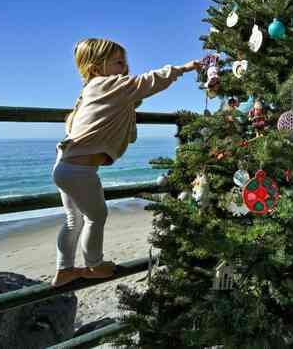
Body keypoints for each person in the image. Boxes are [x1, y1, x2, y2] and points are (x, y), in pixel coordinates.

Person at [51, 38, 200, 287]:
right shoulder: (108, 85)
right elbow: (149, 81)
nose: (126, 68)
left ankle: (64, 269)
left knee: (73, 220)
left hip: (64, 165)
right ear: (97, 67)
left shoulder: (96, 88)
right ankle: (94, 265)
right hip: (80, 171)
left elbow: (129, 99)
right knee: (96, 217)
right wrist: (183, 68)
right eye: (119, 62)